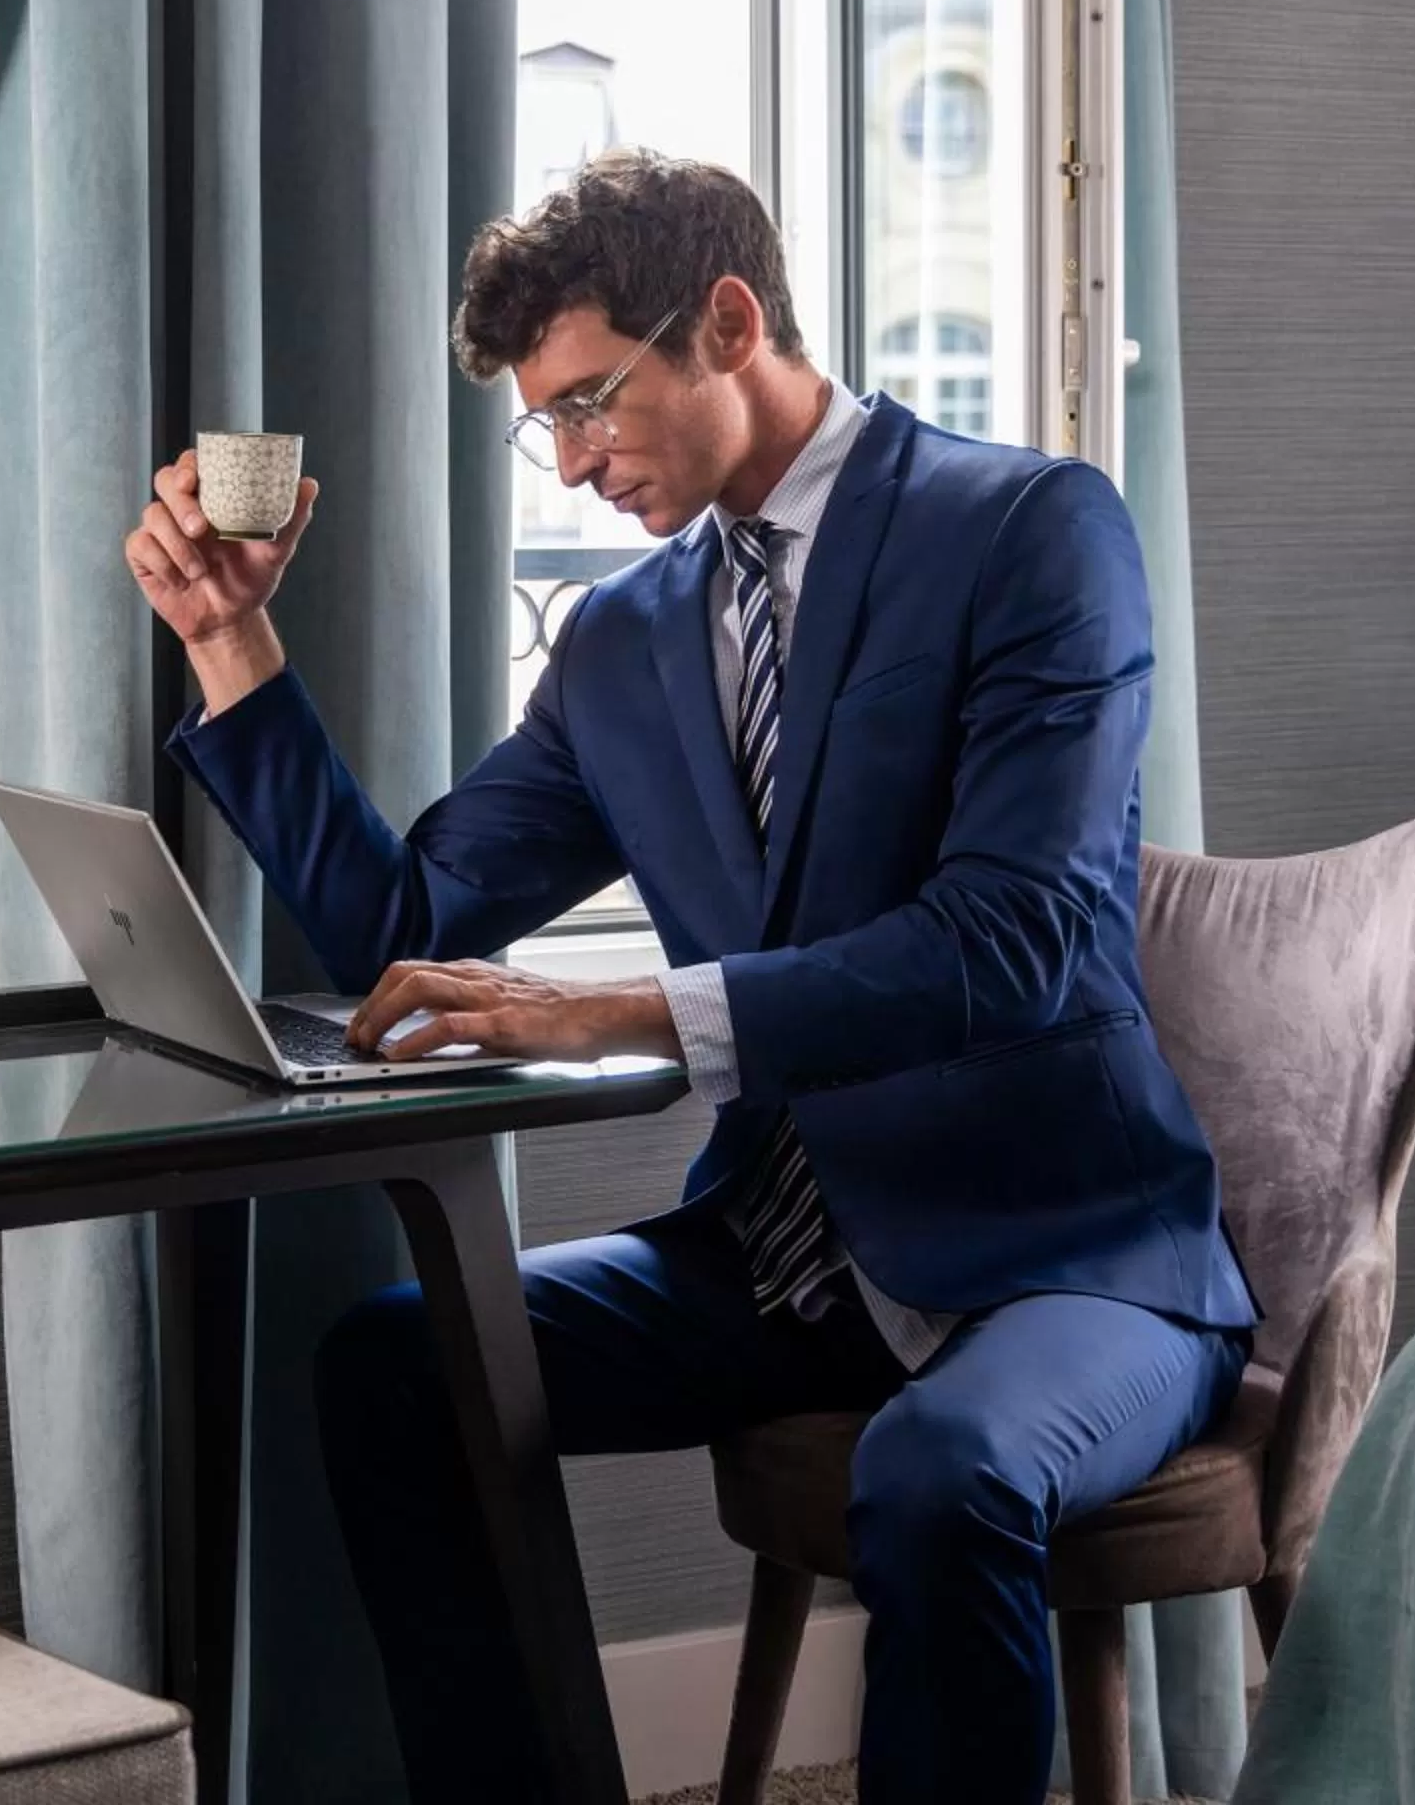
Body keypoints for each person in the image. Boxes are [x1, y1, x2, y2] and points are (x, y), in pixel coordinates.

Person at [123, 149, 1256, 1805]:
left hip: (1064, 1258)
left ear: (728, 320)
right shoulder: (622, 642)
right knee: (395, 1361)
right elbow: (411, 919)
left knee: (942, 1473)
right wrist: (233, 645)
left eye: (594, 402)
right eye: (546, 426)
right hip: (786, 1265)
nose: (574, 464)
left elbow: (1016, 938)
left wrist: (626, 1009)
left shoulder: (1025, 530)